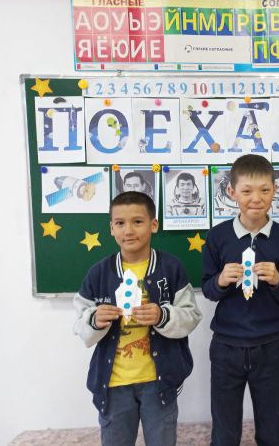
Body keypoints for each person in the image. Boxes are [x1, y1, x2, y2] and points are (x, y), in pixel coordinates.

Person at [73, 191, 203, 446]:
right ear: (111, 228)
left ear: (153, 225)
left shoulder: (171, 267)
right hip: (113, 383)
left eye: (138, 222)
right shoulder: (99, 273)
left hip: (159, 383)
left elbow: (191, 315)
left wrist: (162, 315)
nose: (129, 230)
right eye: (120, 223)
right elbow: (80, 324)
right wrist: (95, 320)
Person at [202, 154, 279, 446]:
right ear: (232, 192)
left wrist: (278, 279)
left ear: (275, 190)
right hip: (226, 345)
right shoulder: (217, 237)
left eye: (264, 190)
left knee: (272, 428)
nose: (256, 198)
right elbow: (207, 289)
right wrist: (220, 280)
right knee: (225, 430)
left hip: (270, 345)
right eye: (246, 191)